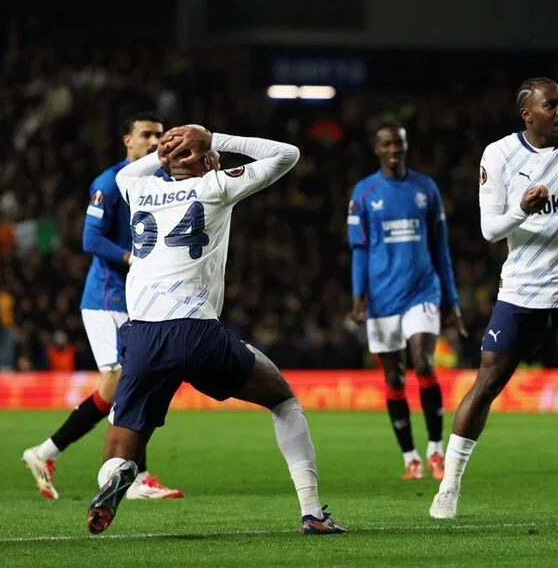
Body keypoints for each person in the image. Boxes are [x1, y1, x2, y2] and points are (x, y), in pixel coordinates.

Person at [86, 124, 344, 536]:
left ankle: (117, 476)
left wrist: (170, 151)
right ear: (206, 158)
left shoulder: (133, 185)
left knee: (120, 446)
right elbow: (286, 153)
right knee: (282, 399)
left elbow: (133, 171)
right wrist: (212, 137)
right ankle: (312, 511)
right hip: (195, 331)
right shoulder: (215, 186)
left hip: (141, 336)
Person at [428, 77, 558, 520]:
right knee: (487, 383)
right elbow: (489, 229)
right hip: (522, 288)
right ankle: (449, 487)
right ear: (528, 114)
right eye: (552, 105)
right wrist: (521, 208)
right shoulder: (499, 154)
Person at [22, 112, 182, 501]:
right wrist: (132, 259)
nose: (155, 140)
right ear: (127, 140)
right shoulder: (109, 183)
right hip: (108, 296)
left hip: (138, 296)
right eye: (146, 134)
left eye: (159, 135)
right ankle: (135, 477)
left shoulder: (162, 181)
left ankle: (45, 453)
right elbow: (91, 239)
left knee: (129, 382)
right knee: (128, 379)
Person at [347, 122, 464, 481]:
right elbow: (360, 250)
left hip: (422, 290)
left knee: (423, 362)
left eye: (399, 144)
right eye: (387, 145)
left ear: (406, 146)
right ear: (377, 149)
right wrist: (358, 296)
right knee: (394, 377)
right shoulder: (365, 193)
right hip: (382, 298)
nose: (394, 150)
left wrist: (452, 300)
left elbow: (440, 248)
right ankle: (410, 456)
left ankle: (435, 449)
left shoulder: (425, 188)